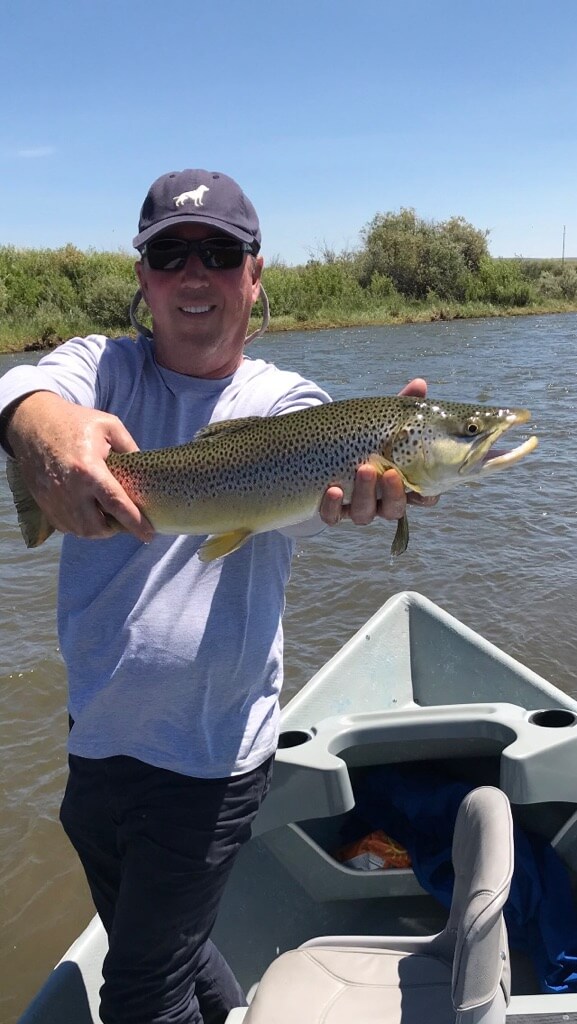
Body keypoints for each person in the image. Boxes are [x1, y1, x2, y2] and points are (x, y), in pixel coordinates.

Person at [0, 168, 433, 1024]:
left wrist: (374, 474)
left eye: (220, 254)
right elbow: (19, 392)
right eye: (170, 254)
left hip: (206, 759)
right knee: (167, 948)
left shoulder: (287, 402)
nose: (194, 273)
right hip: (97, 740)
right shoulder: (100, 367)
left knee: (140, 992)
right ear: (143, 278)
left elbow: (331, 461)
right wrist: (45, 436)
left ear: (254, 275)